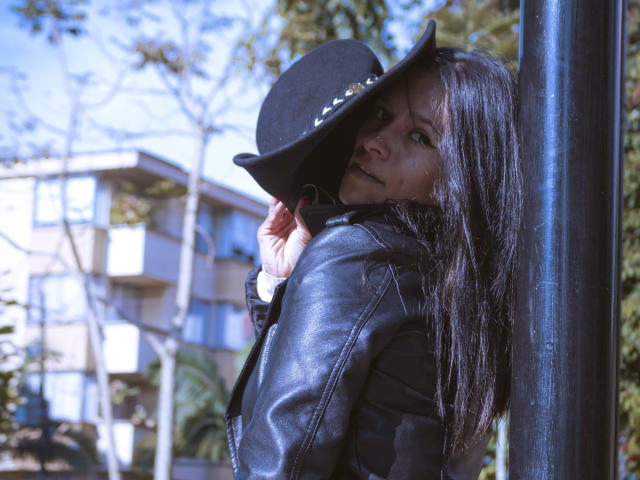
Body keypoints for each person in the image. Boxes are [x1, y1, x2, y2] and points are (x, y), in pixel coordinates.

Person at [226, 20, 521, 479]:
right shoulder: (460, 290)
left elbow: (278, 465)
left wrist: (319, 271)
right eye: (381, 115)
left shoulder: (356, 257)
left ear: (461, 179)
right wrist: (281, 286)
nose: (374, 142)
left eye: (420, 137)